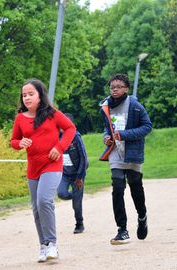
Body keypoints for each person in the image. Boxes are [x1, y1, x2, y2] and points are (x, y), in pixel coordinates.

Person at [10, 79, 76, 263]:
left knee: (44, 200)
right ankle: (43, 246)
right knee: (36, 207)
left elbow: (70, 128)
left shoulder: (52, 114)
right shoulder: (20, 118)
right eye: (24, 95)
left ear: (40, 95)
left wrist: (60, 147)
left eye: (31, 94)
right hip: (33, 167)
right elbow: (14, 141)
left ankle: (52, 243)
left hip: (52, 164)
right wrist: (19, 143)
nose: (27, 98)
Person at [99, 73, 152, 245]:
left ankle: (142, 216)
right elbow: (107, 128)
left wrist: (124, 135)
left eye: (118, 87)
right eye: (112, 87)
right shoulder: (106, 106)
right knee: (118, 186)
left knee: (135, 187)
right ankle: (122, 229)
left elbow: (147, 126)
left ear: (126, 88)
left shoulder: (135, 106)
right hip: (115, 152)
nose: (114, 90)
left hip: (132, 152)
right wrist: (106, 137)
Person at [57, 113, 88, 234]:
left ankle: (79, 224)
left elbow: (84, 159)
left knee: (76, 203)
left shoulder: (76, 137)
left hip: (77, 174)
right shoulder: (56, 137)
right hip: (64, 173)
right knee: (61, 193)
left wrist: (80, 177)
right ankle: (76, 197)